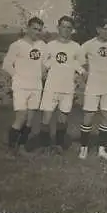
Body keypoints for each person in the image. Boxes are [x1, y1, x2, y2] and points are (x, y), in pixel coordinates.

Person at [39, 16, 85, 155]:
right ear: (58, 27)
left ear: (72, 30)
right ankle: (45, 146)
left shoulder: (76, 47)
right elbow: (42, 66)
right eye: (63, 26)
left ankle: (58, 145)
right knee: (46, 118)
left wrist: (77, 78)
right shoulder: (50, 46)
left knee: (62, 118)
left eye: (68, 27)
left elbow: (81, 67)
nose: (65, 30)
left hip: (67, 88)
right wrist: (43, 75)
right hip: (51, 87)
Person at [2, 16, 47, 157]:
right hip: (21, 86)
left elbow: (45, 63)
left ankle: (21, 148)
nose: (37, 32)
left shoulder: (42, 45)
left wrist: (43, 71)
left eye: (39, 30)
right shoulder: (17, 45)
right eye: (34, 29)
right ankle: (10, 149)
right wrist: (17, 77)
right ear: (28, 28)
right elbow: (7, 65)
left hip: (36, 87)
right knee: (21, 117)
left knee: (29, 120)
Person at [77, 18, 107, 160]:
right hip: (93, 84)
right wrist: (83, 72)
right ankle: (83, 148)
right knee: (88, 116)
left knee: (106, 116)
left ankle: (102, 150)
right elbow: (77, 59)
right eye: (105, 29)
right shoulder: (89, 45)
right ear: (98, 29)